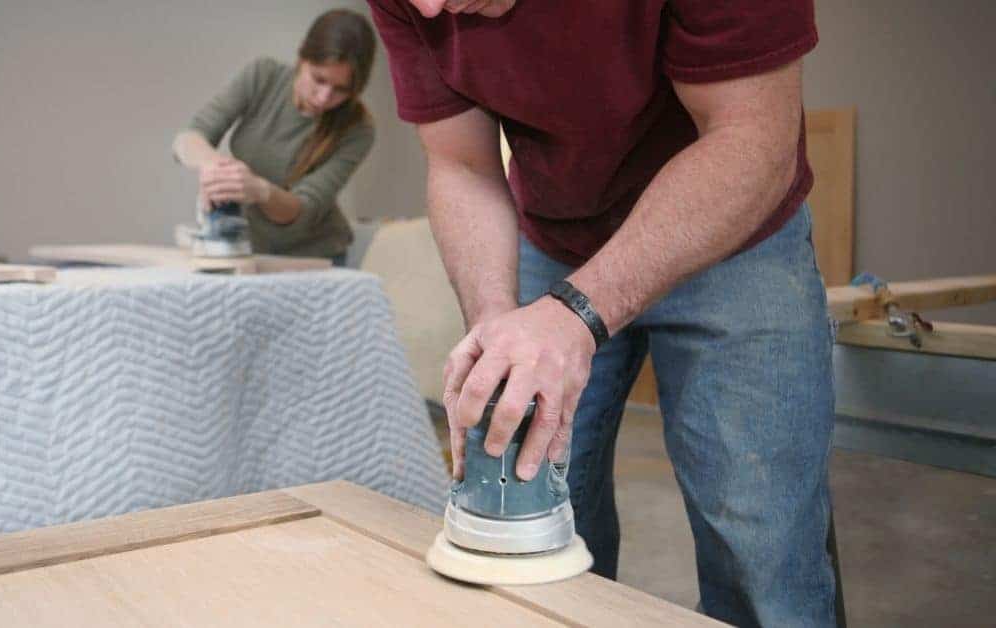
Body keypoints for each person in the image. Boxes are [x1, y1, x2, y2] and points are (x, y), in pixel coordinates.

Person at [367, 1, 837, 626]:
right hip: (557, 230)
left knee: (761, 548)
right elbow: (462, 162)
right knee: (527, 531)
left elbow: (753, 136)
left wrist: (579, 313)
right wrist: (497, 325)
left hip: (734, 231)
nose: (426, 6)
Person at [173, 9, 377, 264]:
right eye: (319, 79)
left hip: (316, 256)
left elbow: (303, 210)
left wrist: (259, 189)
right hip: (254, 250)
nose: (324, 97)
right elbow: (188, 138)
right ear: (302, 57)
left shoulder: (358, 130)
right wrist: (219, 168)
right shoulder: (263, 76)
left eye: (341, 90)